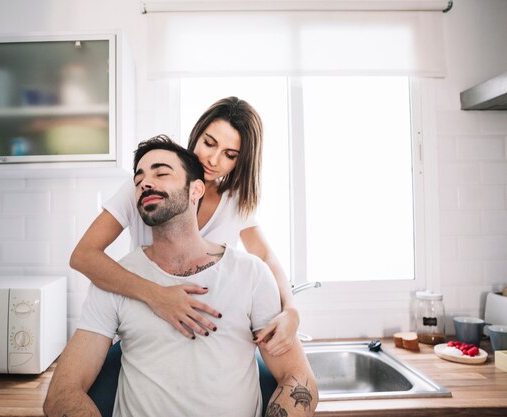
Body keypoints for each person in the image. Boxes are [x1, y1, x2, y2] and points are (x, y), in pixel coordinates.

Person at [44, 136, 317, 417]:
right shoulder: (113, 281)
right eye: (138, 182)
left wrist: (292, 309)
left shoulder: (251, 274)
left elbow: (298, 378)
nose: (146, 183)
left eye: (161, 173)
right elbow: (62, 393)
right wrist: (156, 295)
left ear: (195, 189)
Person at [71, 97, 298, 351]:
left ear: (241, 161)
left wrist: (290, 308)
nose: (213, 159)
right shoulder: (150, 185)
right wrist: (156, 295)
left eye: (229, 155)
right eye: (209, 143)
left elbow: (265, 257)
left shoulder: (235, 202)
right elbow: (83, 256)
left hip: (205, 334)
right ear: (196, 134)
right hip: (146, 328)